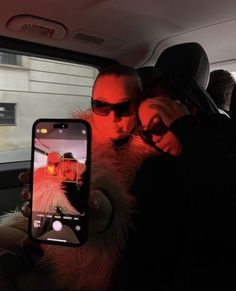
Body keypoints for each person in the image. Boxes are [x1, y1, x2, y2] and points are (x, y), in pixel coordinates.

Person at [0, 65, 154, 290]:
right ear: (92, 102)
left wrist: (102, 210)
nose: (113, 117)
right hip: (53, 250)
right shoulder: (73, 141)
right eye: (101, 106)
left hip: (99, 269)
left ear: (139, 103)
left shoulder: (150, 157)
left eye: (125, 107)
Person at [117, 73, 236, 290]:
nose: (155, 138)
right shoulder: (154, 171)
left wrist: (188, 130)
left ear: (187, 110)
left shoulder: (224, 142)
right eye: (146, 134)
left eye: (157, 124)